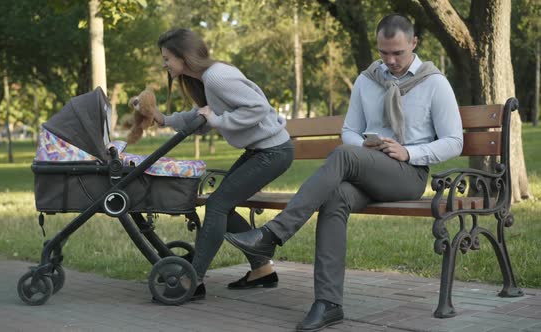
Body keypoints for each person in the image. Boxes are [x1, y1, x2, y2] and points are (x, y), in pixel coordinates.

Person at [224, 14, 463, 332]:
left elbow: (454, 141)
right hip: (367, 166)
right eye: (384, 53)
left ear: (414, 44)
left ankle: (271, 236)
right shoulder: (367, 81)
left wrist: (409, 152)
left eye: (398, 53)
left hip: (408, 174)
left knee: (342, 157)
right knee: (335, 194)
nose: (390, 61)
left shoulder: (435, 83)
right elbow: (350, 130)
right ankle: (328, 303)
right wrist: (367, 148)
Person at [152, 28, 294, 301]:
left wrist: (218, 121)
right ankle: (262, 268)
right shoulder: (205, 80)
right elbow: (201, 117)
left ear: (183, 57)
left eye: (167, 58)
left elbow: (257, 108)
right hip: (262, 150)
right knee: (221, 206)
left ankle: (192, 279)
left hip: (273, 151)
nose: (164, 64)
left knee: (217, 205)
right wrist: (164, 119)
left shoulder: (216, 77)